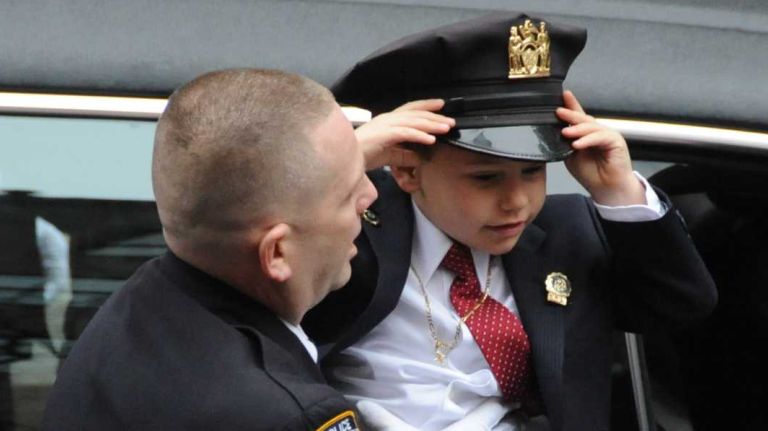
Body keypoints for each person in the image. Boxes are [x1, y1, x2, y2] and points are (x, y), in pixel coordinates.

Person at [304, 13, 717, 431]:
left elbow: (680, 304)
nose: (516, 202)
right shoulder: (348, 231)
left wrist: (619, 191)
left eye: (534, 171)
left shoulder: (566, 231)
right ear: (407, 170)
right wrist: (340, 166)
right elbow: (251, 274)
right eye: (486, 178)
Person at [41, 68, 449, 430]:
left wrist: (333, 167)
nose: (371, 194)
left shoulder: (127, 320)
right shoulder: (288, 414)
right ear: (277, 254)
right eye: (347, 195)